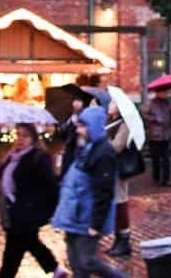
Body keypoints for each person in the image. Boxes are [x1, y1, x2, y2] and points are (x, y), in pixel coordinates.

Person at [51, 106, 127, 278]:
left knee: (87, 261)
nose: (78, 130)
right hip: (74, 215)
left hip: (86, 217)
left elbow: (104, 192)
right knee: (75, 261)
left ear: (92, 126)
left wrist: (96, 224)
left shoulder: (102, 153)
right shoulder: (85, 147)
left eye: (82, 126)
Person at [0, 123, 67, 278]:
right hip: (13, 209)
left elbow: (51, 184)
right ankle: (56, 269)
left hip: (28, 212)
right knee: (31, 242)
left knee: (12, 253)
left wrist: (53, 210)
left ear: (33, 138)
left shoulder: (38, 157)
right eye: (18, 135)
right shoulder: (13, 156)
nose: (20, 139)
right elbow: (8, 178)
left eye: (25, 136)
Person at [106, 101, 133, 258]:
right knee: (115, 202)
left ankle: (124, 240)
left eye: (113, 104)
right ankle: (118, 239)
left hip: (120, 168)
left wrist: (104, 140)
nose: (109, 106)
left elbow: (117, 146)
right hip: (112, 168)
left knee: (120, 201)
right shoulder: (111, 122)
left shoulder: (124, 124)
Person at [144, 90, 171, 187]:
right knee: (155, 158)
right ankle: (156, 178)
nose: (165, 93)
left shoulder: (168, 102)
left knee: (166, 158)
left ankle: (166, 179)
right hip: (154, 135)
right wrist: (155, 119)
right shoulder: (150, 102)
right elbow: (144, 115)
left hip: (166, 134)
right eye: (163, 92)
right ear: (158, 92)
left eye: (166, 92)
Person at [59, 92, 92, 177]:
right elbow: (64, 133)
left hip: (76, 149)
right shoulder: (70, 115)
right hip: (69, 148)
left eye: (79, 101)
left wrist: (76, 123)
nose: (76, 103)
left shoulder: (84, 115)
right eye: (74, 100)